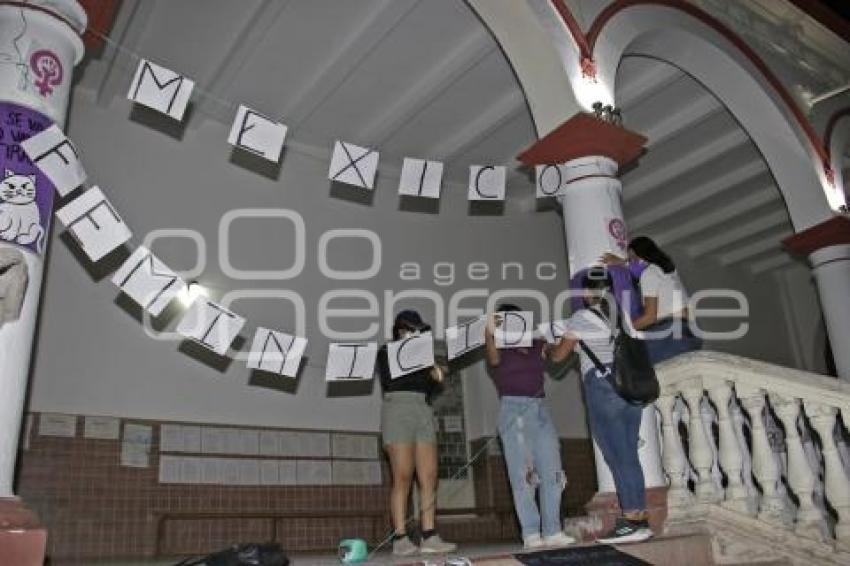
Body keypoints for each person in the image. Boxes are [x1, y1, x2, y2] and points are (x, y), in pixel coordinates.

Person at [549, 268, 652, 543]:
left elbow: (559, 356)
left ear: (586, 293)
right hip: (629, 390)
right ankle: (640, 518)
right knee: (629, 455)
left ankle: (632, 520)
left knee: (618, 457)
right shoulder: (622, 317)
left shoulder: (582, 316)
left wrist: (547, 349)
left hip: (604, 389)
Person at [484, 304, 576, 550]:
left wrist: (568, 334)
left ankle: (553, 530)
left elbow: (557, 356)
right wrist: (489, 331)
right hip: (514, 410)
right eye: (506, 320)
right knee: (523, 475)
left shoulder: (537, 344)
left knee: (553, 470)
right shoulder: (500, 347)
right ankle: (531, 533)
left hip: (540, 408)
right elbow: (492, 358)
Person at [376, 310, 457, 556]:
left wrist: (432, 367)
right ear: (401, 330)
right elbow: (392, 379)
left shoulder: (425, 356)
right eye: (414, 329)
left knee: (429, 476)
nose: (418, 333)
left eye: (421, 330)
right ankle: (400, 538)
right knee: (402, 476)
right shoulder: (386, 352)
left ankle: (429, 535)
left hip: (422, 408)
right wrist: (416, 355)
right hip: (398, 408)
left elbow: (434, 384)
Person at [603, 236, 701, 364]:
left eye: (632, 258)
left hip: (668, 335)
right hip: (689, 332)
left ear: (641, 255)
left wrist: (623, 332)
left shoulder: (649, 274)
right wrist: (623, 263)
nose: (631, 262)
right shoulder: (669, 271)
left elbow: (650, 317)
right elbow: (638, 268)